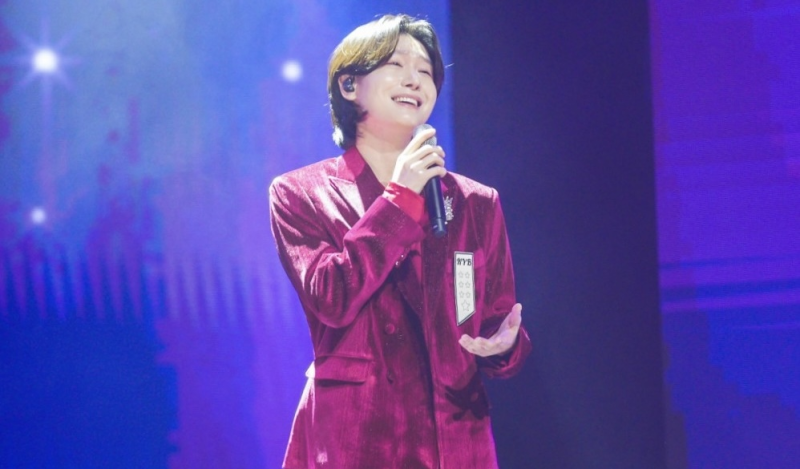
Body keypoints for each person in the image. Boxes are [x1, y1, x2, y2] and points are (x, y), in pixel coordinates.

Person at [269, 13, 531, 469]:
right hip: (356, 438)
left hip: (455, 438)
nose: (415, 80)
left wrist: (504, 346)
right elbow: (331, 297)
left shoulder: (475, 202)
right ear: (349, 85)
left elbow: (494, 320)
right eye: (396, 65)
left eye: (426, 71)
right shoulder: (300, 193)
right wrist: (400, 198)